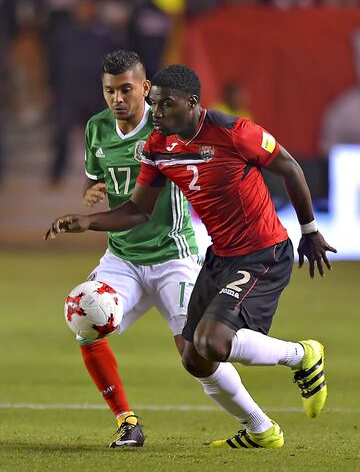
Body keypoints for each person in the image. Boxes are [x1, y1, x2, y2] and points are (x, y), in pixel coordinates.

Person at [45, 64, 337, 450]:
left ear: (192, 103)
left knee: (212, 342)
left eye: (165, 105)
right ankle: (259, 431)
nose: (157, 114)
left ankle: (302, 355)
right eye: (154, 105)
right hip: (221, 257)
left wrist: (310, 230)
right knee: (195, 359)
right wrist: (88, 221)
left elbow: (289, 166)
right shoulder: (157, 146)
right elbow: (138, 211)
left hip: (263, 252)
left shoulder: (234, 132)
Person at [51, 53, 201, 448]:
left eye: (125, 89)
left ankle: (282, 374)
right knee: (83, 317)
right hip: (122, 258)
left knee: (198, 355)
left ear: (145, 88)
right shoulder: (96, 129)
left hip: (173, 255)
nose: (117, 98)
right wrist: (91, 193)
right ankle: (126, 421)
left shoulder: (166, 126)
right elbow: (93, 181)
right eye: (109, 90)